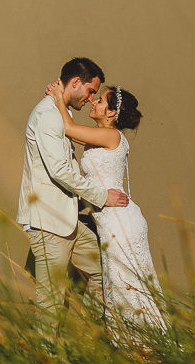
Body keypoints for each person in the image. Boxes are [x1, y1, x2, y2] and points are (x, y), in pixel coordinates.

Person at [16, 58, 129, 333]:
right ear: (76, 83)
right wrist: (102, 197)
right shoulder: (47, 115)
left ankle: (90, 336)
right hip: (49, 223)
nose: (91, 99)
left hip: (68, 221)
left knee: (104, 271)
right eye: (91, 91)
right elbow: (60, 171)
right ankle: (46, 363)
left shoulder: (57, 112)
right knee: (51, 302)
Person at [45, 81, 167, 334]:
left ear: (111, 113)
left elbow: (67, 128)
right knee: (120, 282)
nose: (93, 101)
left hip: (119, 222)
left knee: (125, 284)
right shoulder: (100, 137)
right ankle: (133, 342)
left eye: (100, 101)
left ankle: (141, 344)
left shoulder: (111, 135)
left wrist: (58, 97)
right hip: (113, 218)